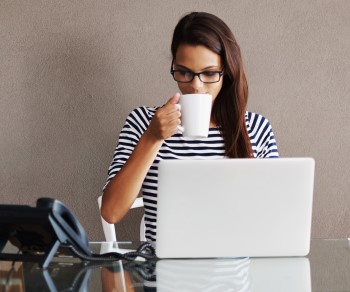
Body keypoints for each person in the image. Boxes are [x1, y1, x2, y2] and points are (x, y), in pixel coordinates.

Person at [101, 12, 279, 243]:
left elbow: (274, 218)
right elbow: (111, 211)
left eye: (209, 73)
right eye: (184, 72)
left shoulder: (256, 129)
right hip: (163, 272)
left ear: (228, 72)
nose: (196, 86)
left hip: (234, 272)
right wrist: (153, 138)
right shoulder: (143, 122)